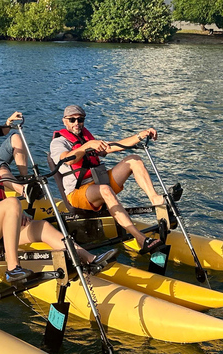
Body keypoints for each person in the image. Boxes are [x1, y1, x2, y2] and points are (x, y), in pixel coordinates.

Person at [0, 126, 113, 282]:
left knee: (42, 226)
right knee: (12, 202)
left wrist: (18, 216)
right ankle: (13, 269)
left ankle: (89, 260)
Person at [50, 105, 166, 254]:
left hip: (98, 181)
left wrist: (140, 135)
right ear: (64, 121)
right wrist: (87, 146)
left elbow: (113, 146)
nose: (76, 123)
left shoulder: (86, 137)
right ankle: (140, 238)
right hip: (78, 193)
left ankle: (155, 198)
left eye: (80, 119)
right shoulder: (58, 142)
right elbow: (68, 160)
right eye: (72, 120)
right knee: (105, 190)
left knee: (134, 160)